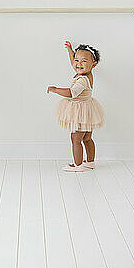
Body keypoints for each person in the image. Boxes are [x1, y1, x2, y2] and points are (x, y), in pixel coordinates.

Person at [47, 41, 105, 172]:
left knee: (75, 138)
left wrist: (55, 89)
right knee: (87, 138)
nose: (78, 64)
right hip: (88, 110)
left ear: (93, 64)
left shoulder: (82, 80)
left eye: (84, 61)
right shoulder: (87, 74)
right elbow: (74, 62)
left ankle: (78, 165)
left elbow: (71, 93)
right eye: (76, 60)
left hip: (80, 111)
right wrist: (70, 51)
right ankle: (90, 162)